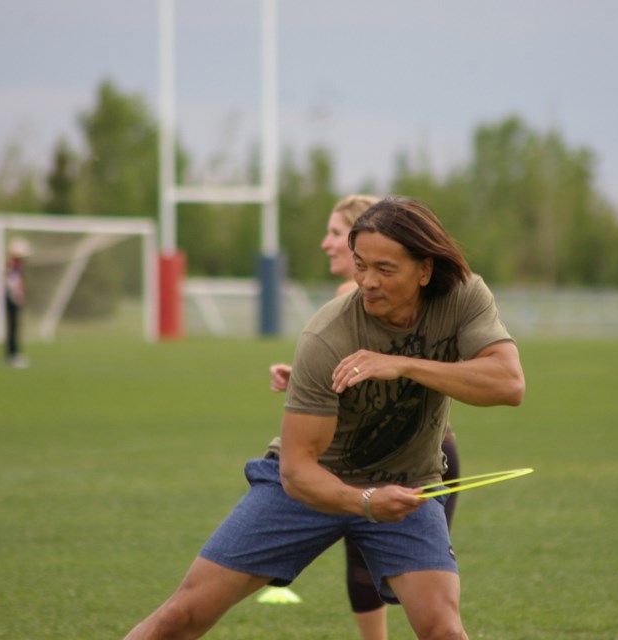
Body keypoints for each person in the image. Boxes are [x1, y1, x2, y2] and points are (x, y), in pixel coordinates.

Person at [122, 197, 525, 640]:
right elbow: (296, 471)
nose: (368, 282)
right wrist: (367, 501)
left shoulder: (463, 296)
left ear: (425, 270)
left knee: (443, 630)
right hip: (309, 484)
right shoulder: (326, 334)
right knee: (183, 615)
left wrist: (406, 365)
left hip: (406, 482)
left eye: (385, 269)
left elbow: (509, 385)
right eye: (360, 265)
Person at [268, 194, 463, 640]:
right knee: (379, 571)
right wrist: (304, 374)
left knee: (382, 571)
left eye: (337, 233)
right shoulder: (353, 300)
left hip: (415, 458)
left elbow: (386, 364)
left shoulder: (360, 295)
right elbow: (365, 369)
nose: (326, 244)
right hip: (384, 452)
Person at [4, 237, 31, 368]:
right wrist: (18, 294)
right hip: (11, 297)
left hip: (12, 296)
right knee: (13, 327)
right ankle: (12, 355)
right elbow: (13, 281)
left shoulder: (14, 264)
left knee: (14, 327)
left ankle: (13, 353)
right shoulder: (13, 265)